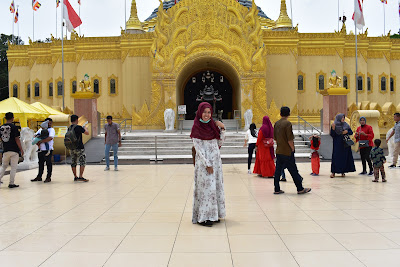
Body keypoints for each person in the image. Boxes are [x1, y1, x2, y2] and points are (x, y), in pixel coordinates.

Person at [191, 102, 226, 227]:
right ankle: (204, 217)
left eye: (209, 112)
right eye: (204, 112)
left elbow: (219, 142)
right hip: (205, 164)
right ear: (200, 112)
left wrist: (222, 128)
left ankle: (214, 214)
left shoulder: (213, 126)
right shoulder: (196, 127)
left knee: (215, 188)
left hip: (216, 162)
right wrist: (207, 164)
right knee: (206, 189)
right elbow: (198, 149)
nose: (206, 115)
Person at [273, 107, 311, 195]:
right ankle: (300, 188)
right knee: (293, 170)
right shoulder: (287, 124)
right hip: (287, 151)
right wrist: (292, 148)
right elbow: (290, 139)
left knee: (278, 170)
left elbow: (275, 137)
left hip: (279, 150)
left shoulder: (276, 123)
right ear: (289, 114)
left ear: (280, 113)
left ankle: (277, 188)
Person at [0, 112, 23, 188]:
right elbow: (17, 139)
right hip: (14, 150)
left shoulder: (1, 127)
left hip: (5, 150)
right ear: (13, 118)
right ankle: (11, 183)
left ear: (5, 118)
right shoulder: (14, 127)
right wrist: (21, 149)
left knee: (3, 166)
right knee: (13, 167)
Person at [330, 114, 356, 178]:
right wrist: (333, 129)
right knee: (336, 157)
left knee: (344, 157)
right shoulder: (334, 125)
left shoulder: (346, 125)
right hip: (337, 143)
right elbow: (332, 135)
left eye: (343, 117)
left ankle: (343, 171)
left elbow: (351, 132)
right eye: (342, 118)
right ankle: (333, 172)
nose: (343, 119)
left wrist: (347, 131)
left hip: (345, 143)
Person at [31, 118, 55, 183]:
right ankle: (39, 176)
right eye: (48, 123)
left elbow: (50, 138)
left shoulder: (51, 130)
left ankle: (48, 177)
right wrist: (36, 139)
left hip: (48, 150)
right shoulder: (41, 129)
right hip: (41, 149)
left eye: (50, 123)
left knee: (48, 163)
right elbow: (34, 136)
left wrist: (40, 141)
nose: (49, 124)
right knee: (40, 163)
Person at [68, 115, 90, 182]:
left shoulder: (69, 128)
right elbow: (87, 133)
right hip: (79, 147)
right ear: (77, 120)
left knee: (73, 162)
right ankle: (80, 176)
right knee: (82, 162)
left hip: (72, 148)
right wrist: (85, 128)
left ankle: (75, 176)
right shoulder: (78, 127)